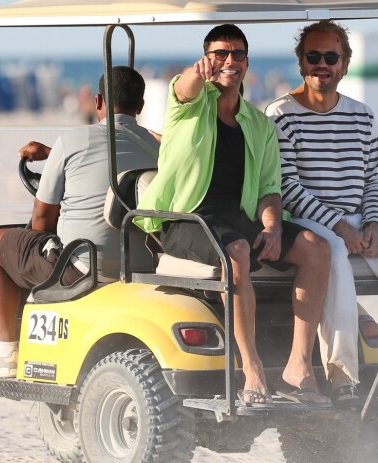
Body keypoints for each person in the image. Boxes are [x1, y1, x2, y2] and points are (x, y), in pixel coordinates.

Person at [135, 24, 332, 407]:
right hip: (184, 218)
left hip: (237, 217)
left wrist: (273, 228)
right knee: (238, 251)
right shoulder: (189, 103)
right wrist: (198, 71)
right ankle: (252, 369)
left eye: (237, 54)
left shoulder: (259, 124)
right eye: (220, 54)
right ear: (206, 58)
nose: (229, 61)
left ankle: (299, 366)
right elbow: (184, 86)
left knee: (317, 248)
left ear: (247, 61)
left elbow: (270, 189)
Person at [0, 66, 160, 379]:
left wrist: (28, 250)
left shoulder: (72, 141)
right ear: (142, 106)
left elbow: (41, 219)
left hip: (82, 267)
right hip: (140, 264)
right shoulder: (155, 147)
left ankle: (4, 353)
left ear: (98, 101)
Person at [265, 20, 378, 406]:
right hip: (314, 223)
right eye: (313, 56)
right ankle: (343, 377)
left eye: (331, 57)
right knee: (334, 256)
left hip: (358, 220)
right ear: (301, 63)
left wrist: (374, 222)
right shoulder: (280, 115)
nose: (322, 64)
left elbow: (373, 180)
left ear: (345, 63)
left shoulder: (363, 116)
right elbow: (288, 189)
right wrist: (341, 227)